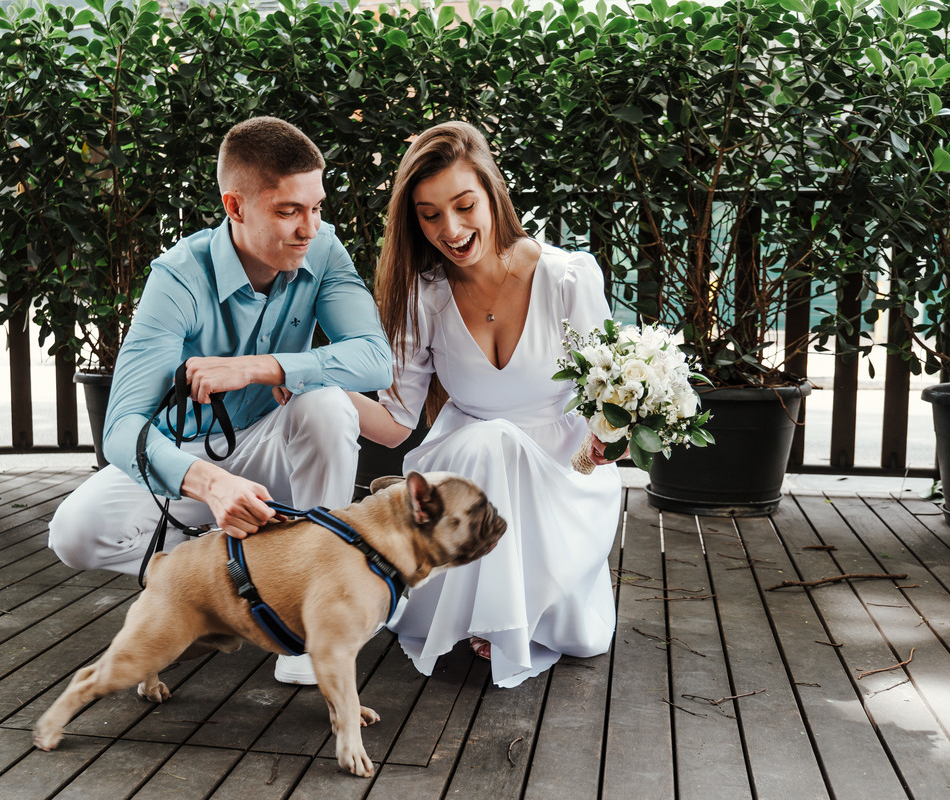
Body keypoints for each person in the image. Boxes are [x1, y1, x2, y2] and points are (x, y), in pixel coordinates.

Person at [48, 117, 393, 685]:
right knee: (73, 533)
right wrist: (208, 483)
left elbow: (375, 359)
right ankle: (219, 585)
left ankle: (315, 613)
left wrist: (264, 368)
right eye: (288, 211)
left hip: (271, 445)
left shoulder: (323, 250)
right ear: (235, 207)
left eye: (317, 207)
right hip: (186, 457)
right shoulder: (178, 278)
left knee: (328, 405)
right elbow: (120, 428)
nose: (310, 228)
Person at [348, 121, 624, 688]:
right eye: (429, 215)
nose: (450, 228)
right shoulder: (421, 296)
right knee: (491, 440)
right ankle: (494, 617)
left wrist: (612, 436)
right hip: (465, 463)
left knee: (503, 444)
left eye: (464, 204)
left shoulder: (567, 278)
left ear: (492, 192)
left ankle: (510, 615)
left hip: (559, 473)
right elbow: (397, 423)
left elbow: (609, 397)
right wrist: (312, 384)